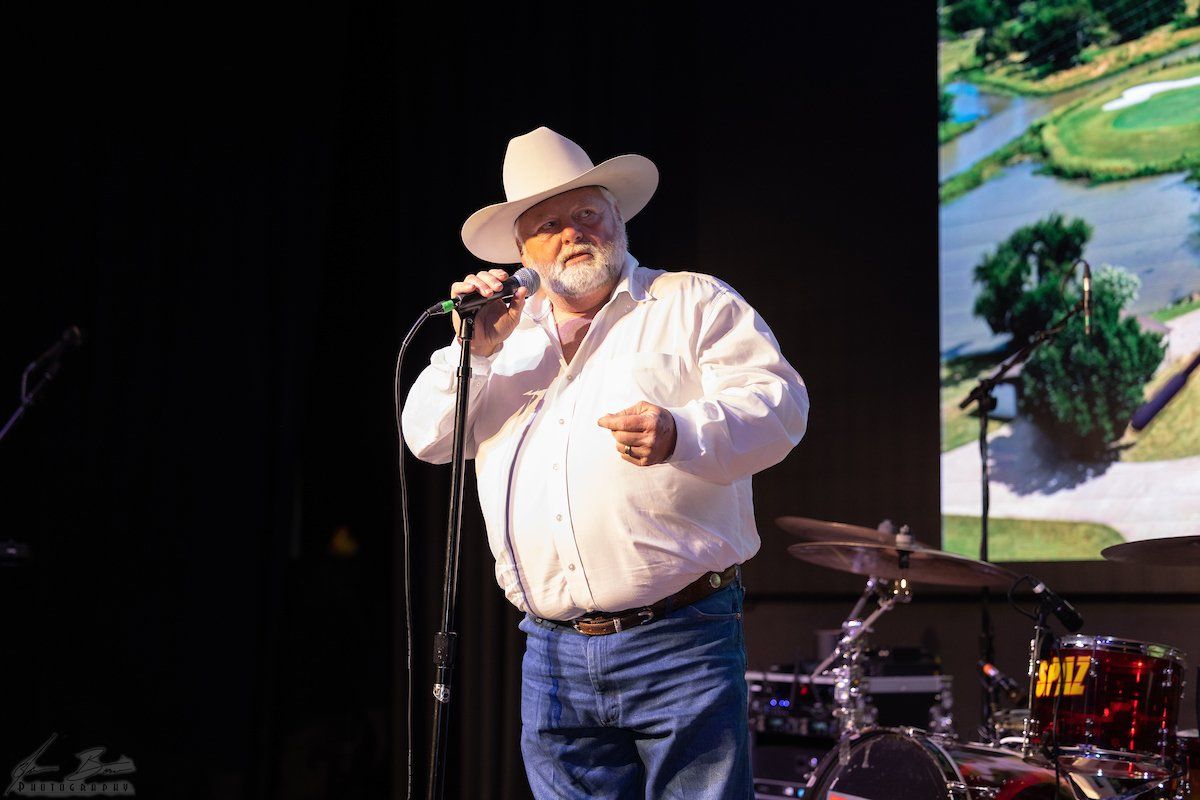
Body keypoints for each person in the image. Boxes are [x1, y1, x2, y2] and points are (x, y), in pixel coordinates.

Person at [401, 126, 808, 799]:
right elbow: (425, 438)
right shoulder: (499, 341)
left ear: (617, 218)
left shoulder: (691, 302)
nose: (573, 233)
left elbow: (780, 407)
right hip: (550, 651)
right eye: (549, 225)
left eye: (588, 213)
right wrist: (474, 352)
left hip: (681, 638)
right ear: (521, 252)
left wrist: (682, 431)